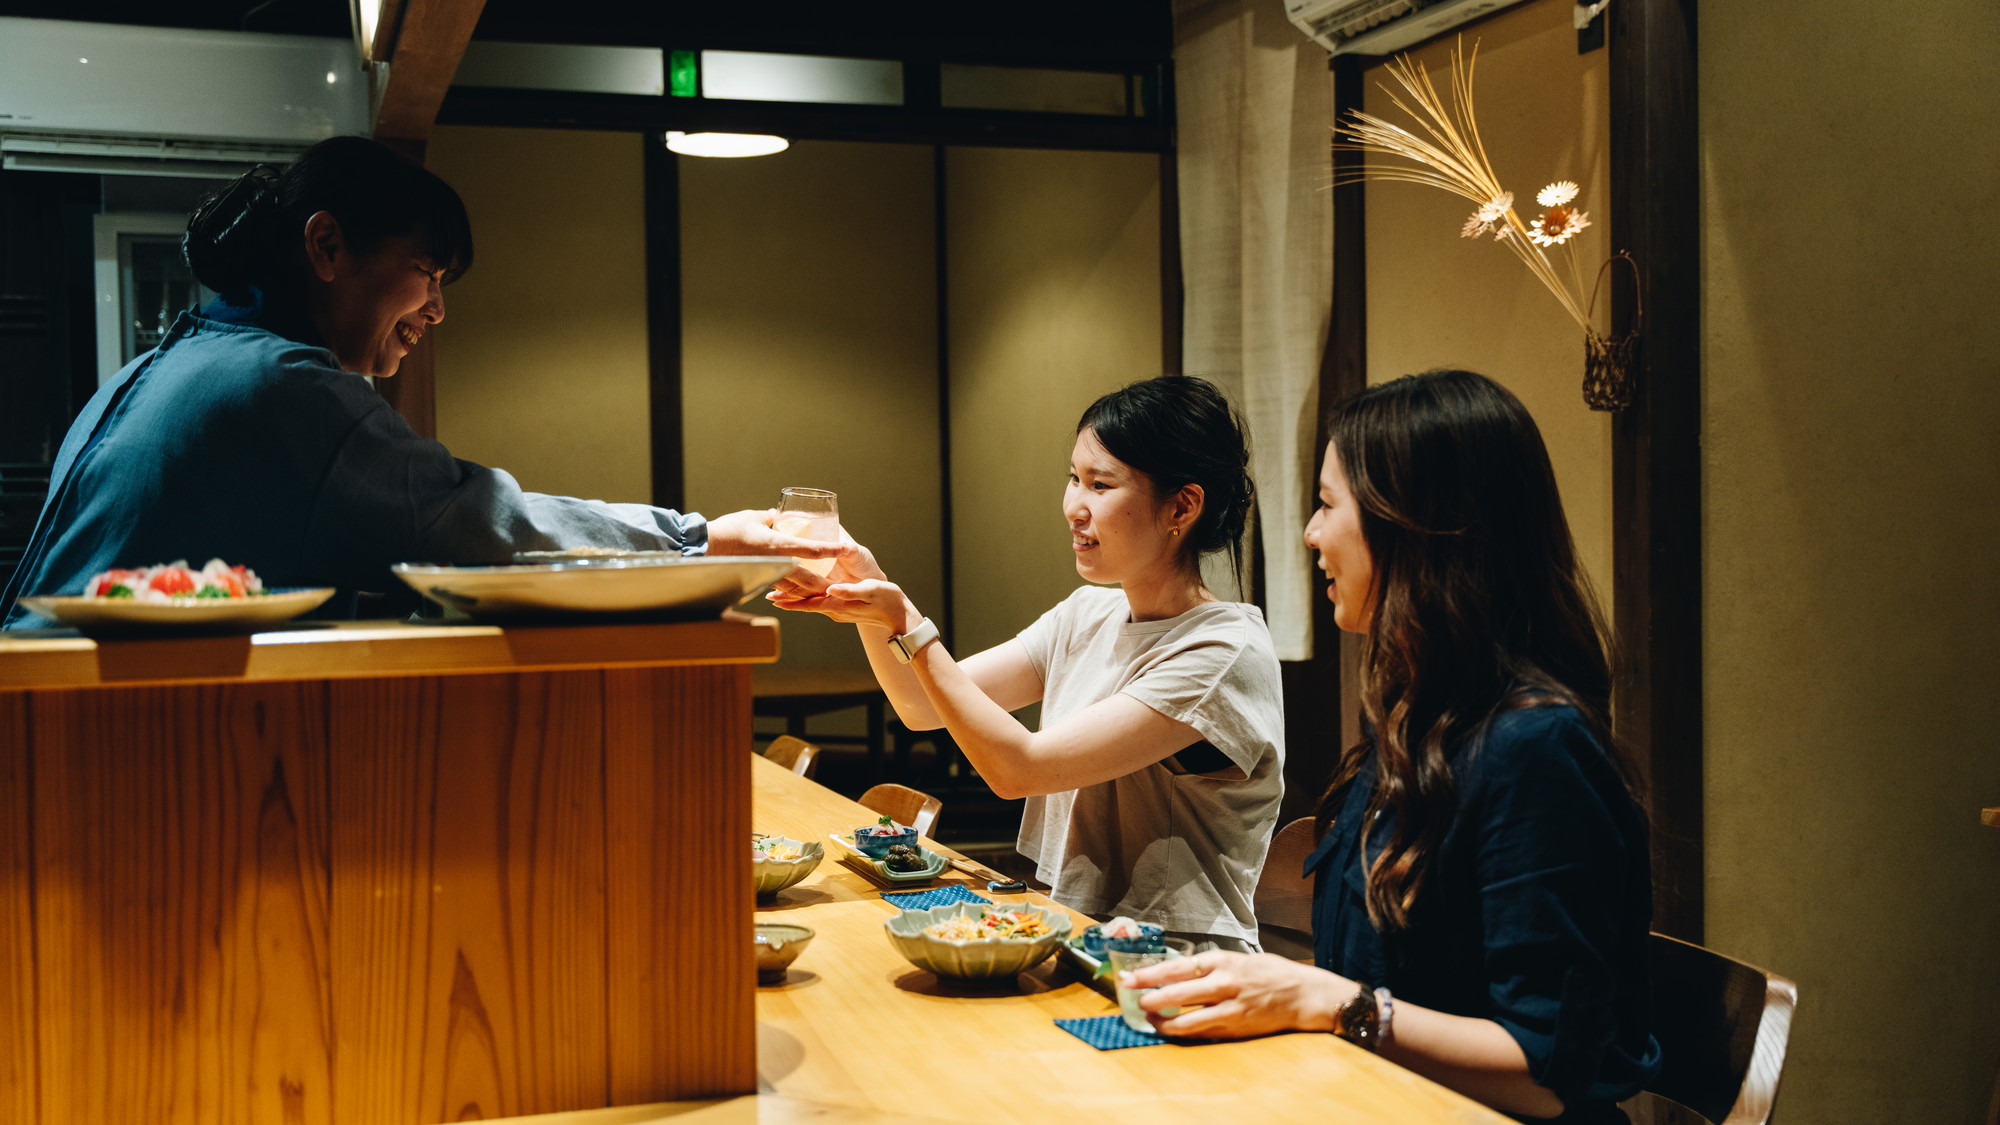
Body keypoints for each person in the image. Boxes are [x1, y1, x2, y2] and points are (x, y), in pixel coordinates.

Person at [1, 136, 837, 629]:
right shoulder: (286, 388)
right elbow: (474, 522)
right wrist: (699, 542)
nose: (436, 309)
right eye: (425, 272)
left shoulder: (163, 364)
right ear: (326, 249)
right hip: (79, 742)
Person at [1128, 370, 1660, 1122]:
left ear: (1414, 524)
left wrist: (1330, 1000)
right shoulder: (1419, 723)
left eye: (1326, 504)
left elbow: (1548, 1071)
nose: (1311, 532)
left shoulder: (1537, 749)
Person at [770, 375, 1284, 951]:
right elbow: (920, 705)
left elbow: (1018, 769)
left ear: (1181, 507)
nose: (1073, 507)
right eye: (1073, 478)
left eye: (1101, 484)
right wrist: (869, 598)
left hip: (1177, 960)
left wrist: (908, 624)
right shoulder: (1085, 615)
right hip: (1069, 930)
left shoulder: (1219, 651)